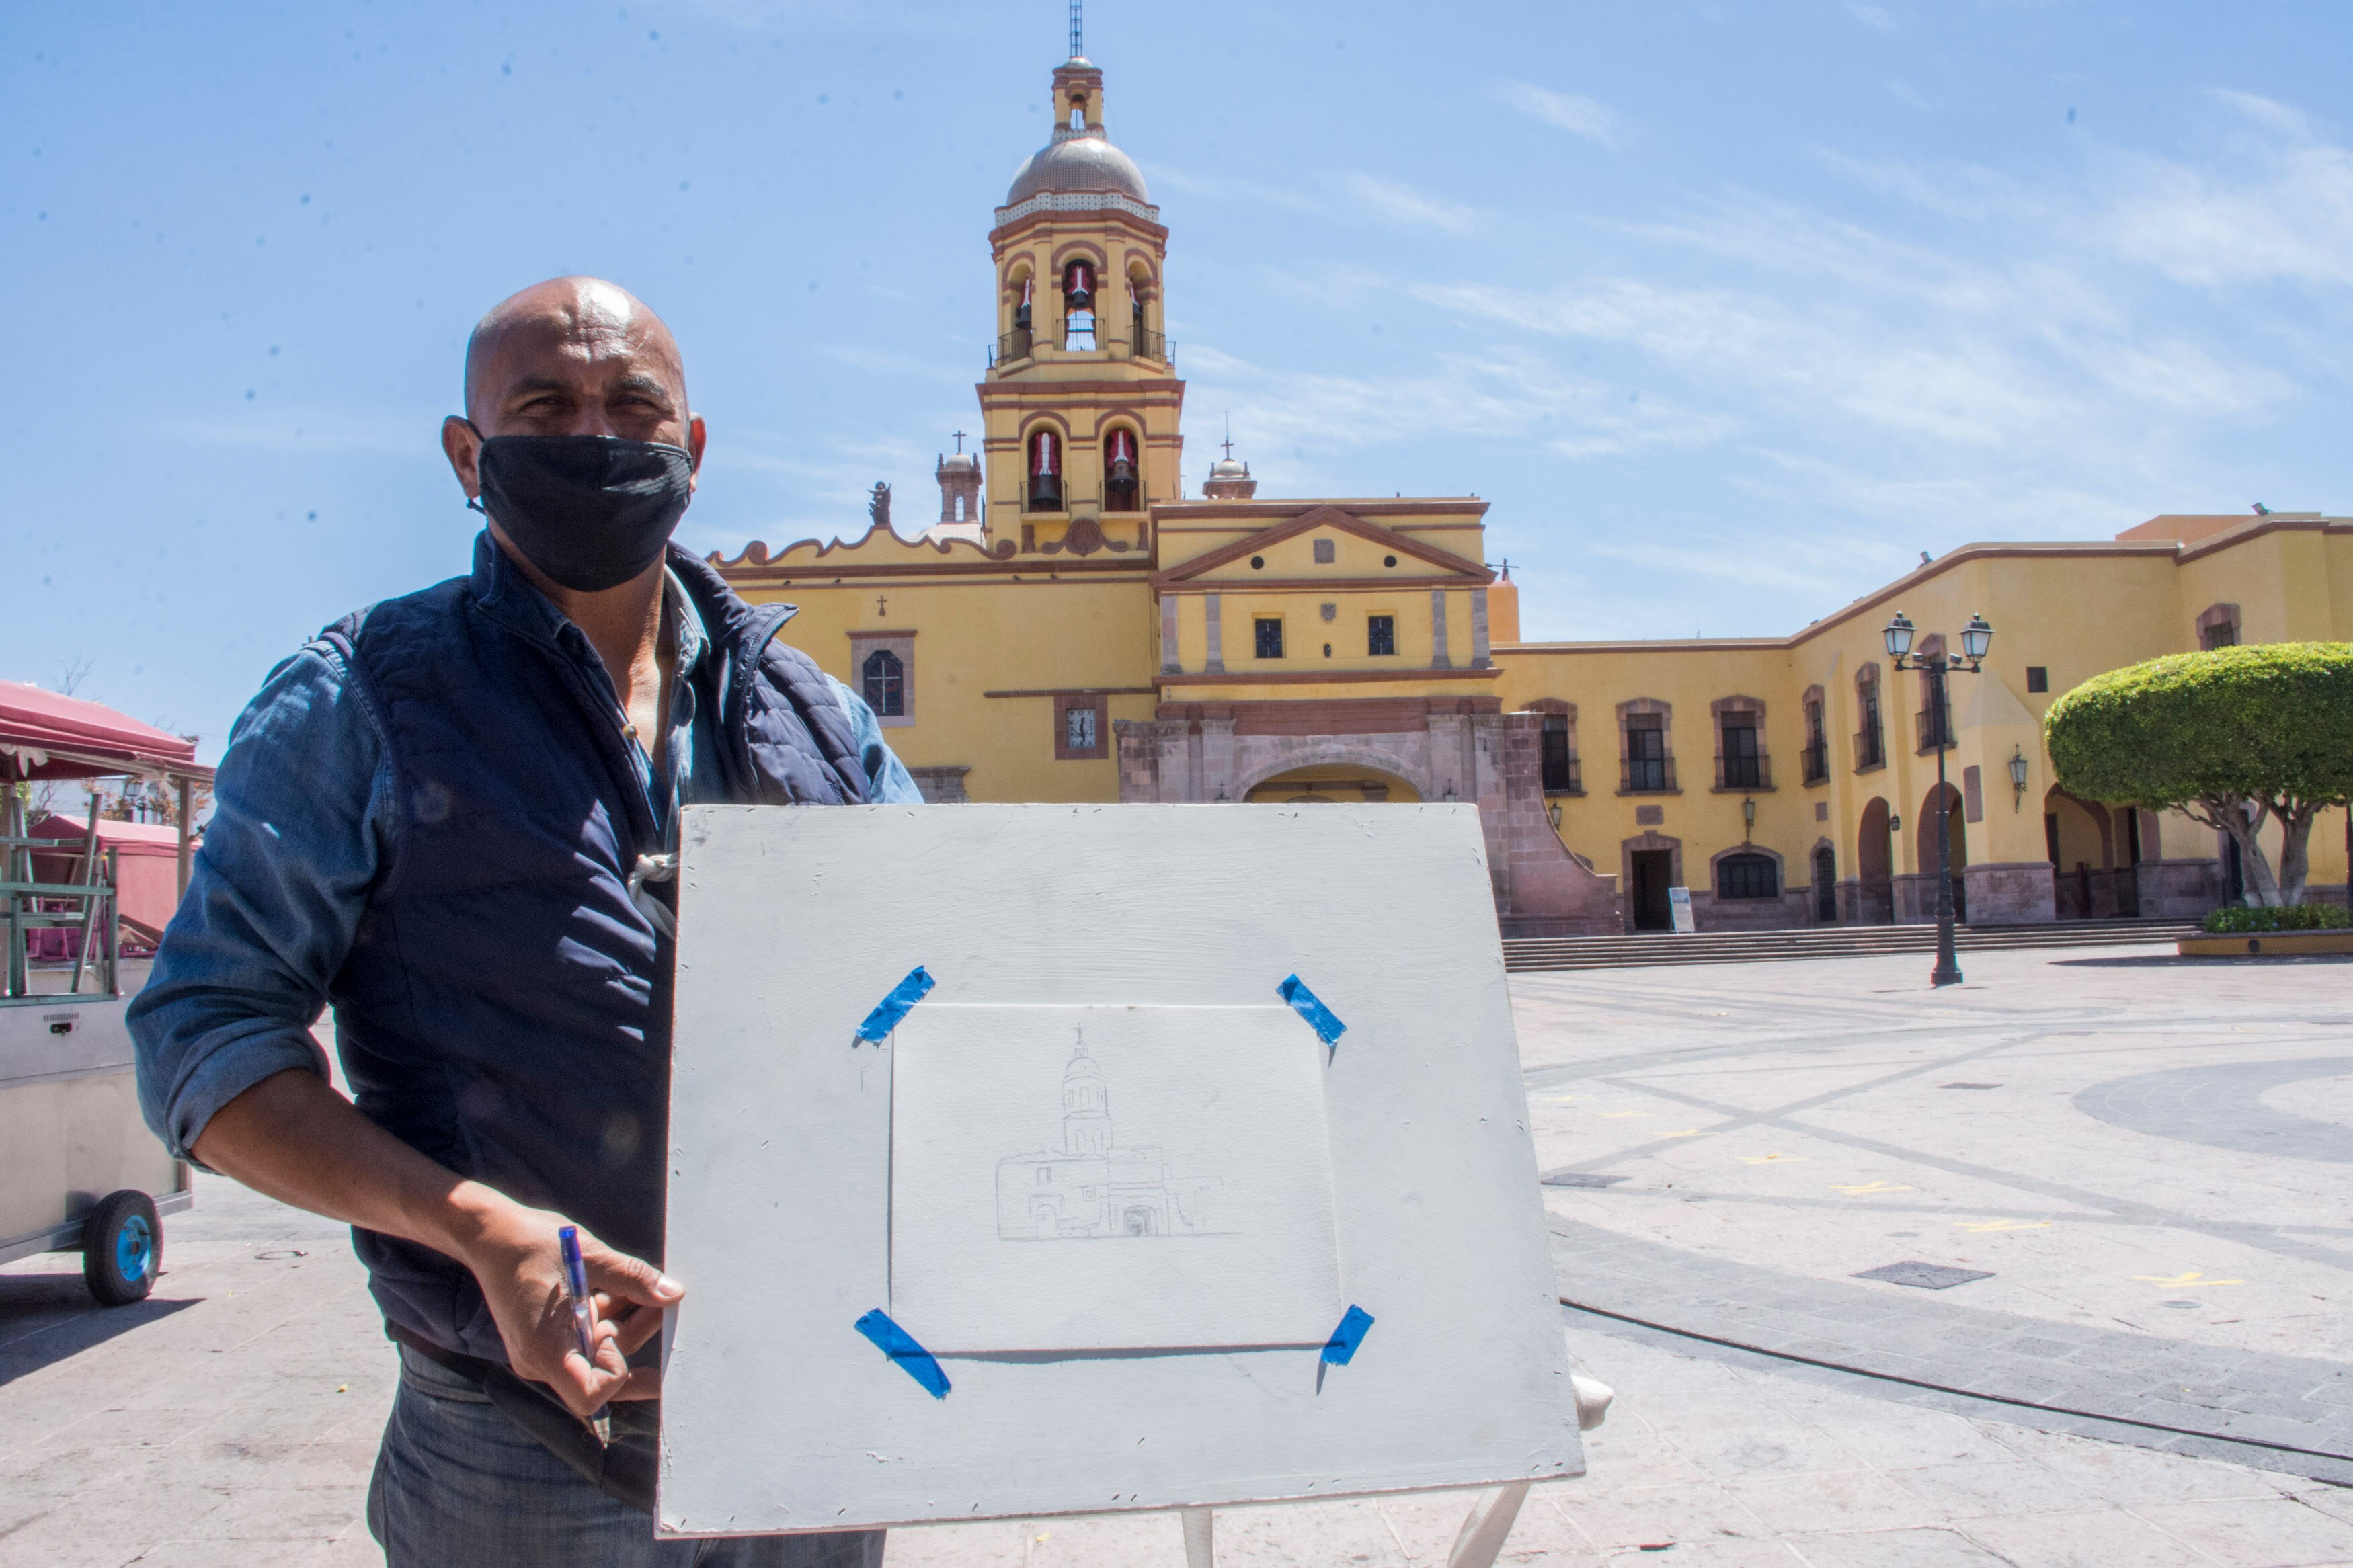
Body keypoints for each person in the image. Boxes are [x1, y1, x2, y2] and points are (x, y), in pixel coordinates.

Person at [131, 277, 914, 1567]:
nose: (596, 434)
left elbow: (949, 995)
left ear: (693, 451)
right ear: (468, 457)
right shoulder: (362, 698)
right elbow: (205, 1042)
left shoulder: (819, 718)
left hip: (807, 1430)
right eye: (547, 406)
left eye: (634, 406)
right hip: (516, 1461)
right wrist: (479, 1229)